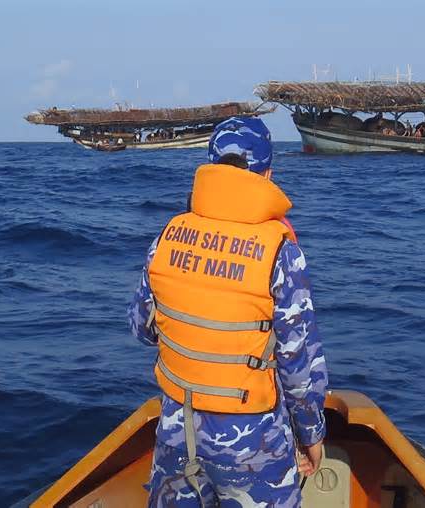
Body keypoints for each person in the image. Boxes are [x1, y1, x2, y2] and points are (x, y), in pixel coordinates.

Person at [127, 116, 328, 508]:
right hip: (255, 441)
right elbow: (298, 364)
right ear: (267, 173)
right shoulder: (280, 254)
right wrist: (312, 435)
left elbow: (141, 327)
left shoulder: (166, 238)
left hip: (177, 428)